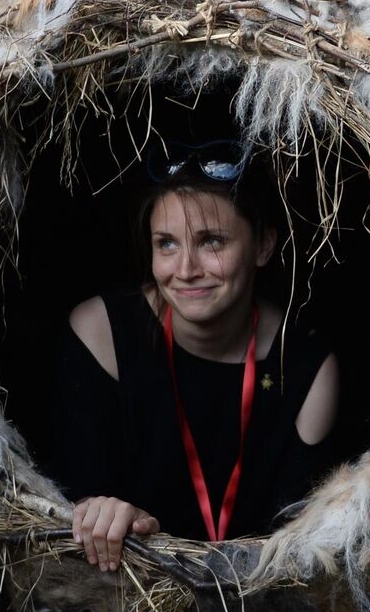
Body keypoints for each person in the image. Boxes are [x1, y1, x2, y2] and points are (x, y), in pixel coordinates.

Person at [52, 146, 341, 572]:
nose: (185, 270)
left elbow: (298, 552)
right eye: (166, 244)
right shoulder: (101, 333)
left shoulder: (307, 369)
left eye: (211, 242)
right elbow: (71, 505)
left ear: (262, 245)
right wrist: (104, 512)